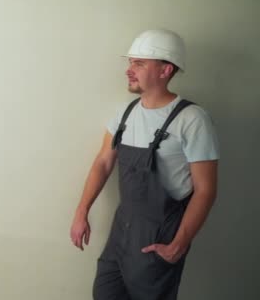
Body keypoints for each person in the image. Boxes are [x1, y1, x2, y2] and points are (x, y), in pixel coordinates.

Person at [69, 29, 219, 299]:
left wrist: (179, 244)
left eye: (139, 63)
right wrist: (82, 211)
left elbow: (205, 189)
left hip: (158, 234)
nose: (129, 69)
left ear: (165, 70)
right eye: (130, 62)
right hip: (121, 229)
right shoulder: (125, 113)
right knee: (105, 294)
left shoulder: (192, 119)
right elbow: (103, 162)